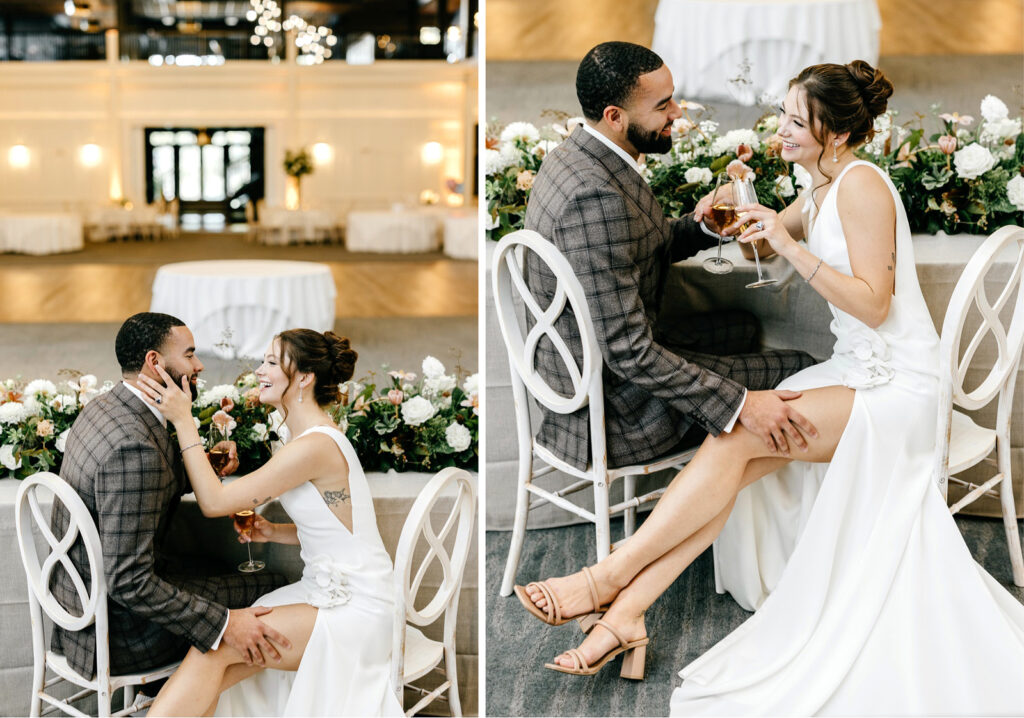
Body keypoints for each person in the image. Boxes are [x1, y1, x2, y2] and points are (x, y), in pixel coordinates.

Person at [519, 61, 1024, 715]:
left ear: (834, 132)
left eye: (793, 119)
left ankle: (610, 581)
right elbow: (768, 239)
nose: (778, 128)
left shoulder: (863, 186)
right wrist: (731, 224)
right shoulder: (818, 185)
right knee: (738, 446)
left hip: (898, 387)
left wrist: (787, 250)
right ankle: (625, 616)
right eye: (782, 114)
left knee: (734, 441)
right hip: (855, 371)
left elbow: (873, 305)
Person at [522, 40, 817, 485]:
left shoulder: (578, 157)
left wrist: (702, 229)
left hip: (611, 364)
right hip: (612, 410)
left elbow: (632, 249)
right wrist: (742, 404)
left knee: (744, 325)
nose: (678, 113)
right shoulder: (593, 197)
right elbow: (629, 353)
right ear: (614, 116)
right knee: (802, 369)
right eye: (663, 105)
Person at [139, 328, 404, 717]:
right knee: (219, 654)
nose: (258, 371)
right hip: (325, 592)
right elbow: (344, 529)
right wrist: (272, 531)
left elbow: (213, 503)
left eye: (270, 362)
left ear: (304, 377)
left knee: (215, 647)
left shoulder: (313, 446)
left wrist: (183, 421)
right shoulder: (306, 437)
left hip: (358, 610)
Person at [50, 312, 287, 684]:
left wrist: (204, 463)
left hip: (83, 612)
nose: (199, 365)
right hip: (120, 632)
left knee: (216, 562)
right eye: (190, 355)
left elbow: (135, 482)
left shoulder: (106, 407)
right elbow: (129, 582)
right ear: (154, 362)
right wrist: (226, 624)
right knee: (271, 584)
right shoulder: (133, 449)